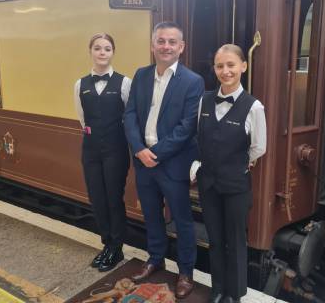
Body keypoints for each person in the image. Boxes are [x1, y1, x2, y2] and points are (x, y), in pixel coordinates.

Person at [124, 21, 204, 299]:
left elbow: (187, 127)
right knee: (152, 215)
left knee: (182, 220)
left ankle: (185, 272)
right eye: (161, 41)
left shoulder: (193, 81)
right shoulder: (141, 75)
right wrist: (138, 149)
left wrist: (155, 154)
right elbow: (131, 114)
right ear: (152, 45)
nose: (166, 46)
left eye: (172, 42)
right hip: (143, 161)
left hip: (172, 164)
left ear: (181, 47)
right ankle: (155, 258)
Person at [192, 44, 266, 303]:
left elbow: (259, 147)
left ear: (243, 66)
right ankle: (218, 289)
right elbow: (198, 136)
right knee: (215, 239)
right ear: (214, 69)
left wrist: (238, 164)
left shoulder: (254, 107)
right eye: (220, 66)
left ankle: (234, 294)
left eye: (231, 65)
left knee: (235, 241)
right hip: (209, 183)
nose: (226, 71)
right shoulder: (204, 99)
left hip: (235, 185)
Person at [74, 33, 131, 272]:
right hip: (90, 150)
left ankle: (117, 248)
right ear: (91, 51)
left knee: (113, 199)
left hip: (115, 150)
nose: (102, 52)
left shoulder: (124, 82)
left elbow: (129, 117)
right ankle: (106, 243)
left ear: (112, 52)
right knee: (97, 199)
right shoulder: (80, 84)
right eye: (97, 48)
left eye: (107, 48)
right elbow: (82, 119)